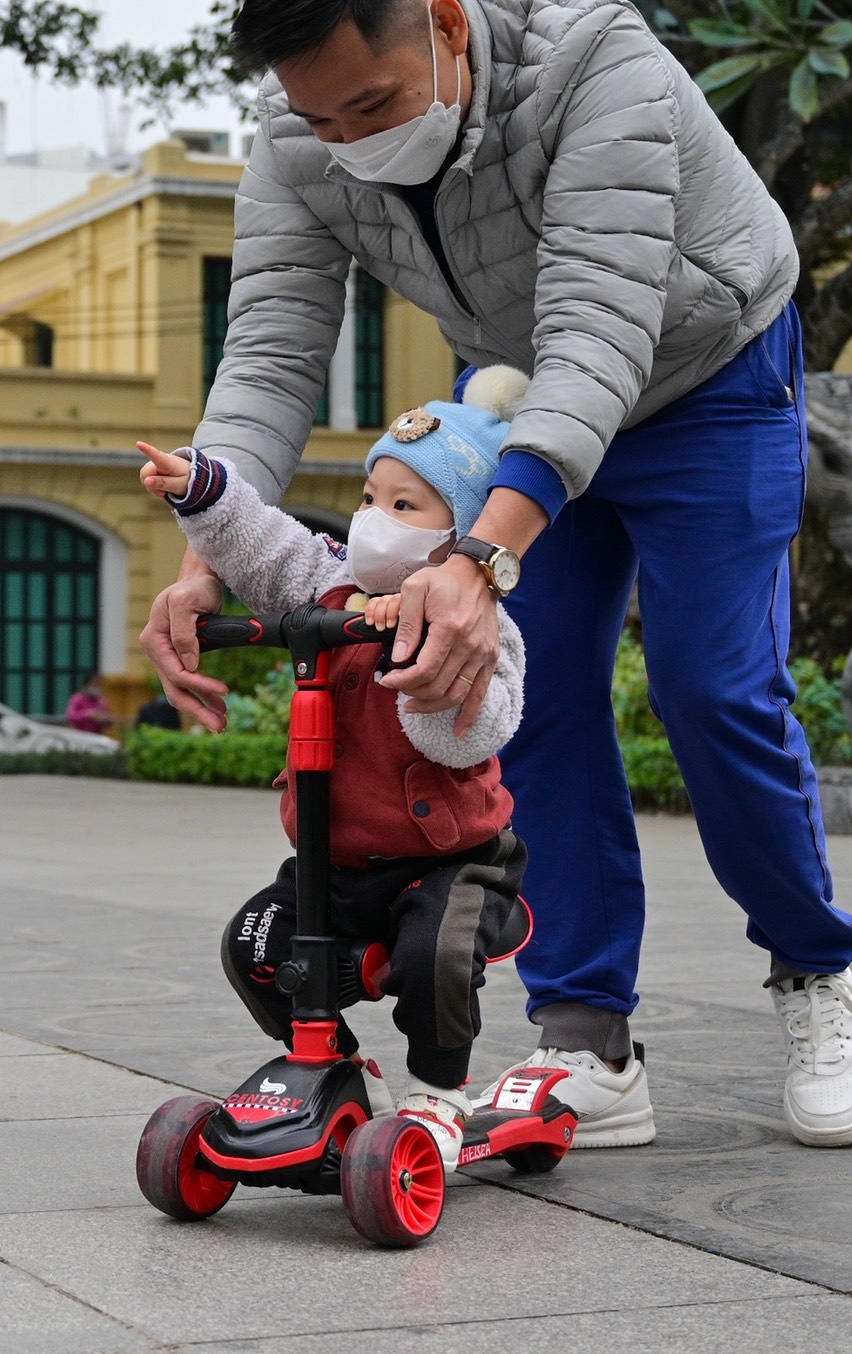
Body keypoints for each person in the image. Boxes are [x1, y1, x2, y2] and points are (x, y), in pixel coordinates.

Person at [142, 0, 852, 1150]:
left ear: (441, 28)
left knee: (714, 690)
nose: (346, 145)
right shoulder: (300, 130)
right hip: (522, 396)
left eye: (370, 107)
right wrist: (207, 548)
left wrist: (482, 553)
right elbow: (270, 350)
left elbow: (600, 323)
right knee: (506, 699)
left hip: (708, 373)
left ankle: (813, 972)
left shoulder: (596, 58)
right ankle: (587, 1036)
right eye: (318, 121)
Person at [132, 369, 533, 1170]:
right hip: (336, 861)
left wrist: (414, 651)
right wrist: (201, 489)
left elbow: (468, 738)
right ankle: (346, 1074)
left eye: (405, 507)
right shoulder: (327, 581)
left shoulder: (481, 628)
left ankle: (439, 1092)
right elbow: (264, 540)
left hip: (452, 865)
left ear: (458, 535)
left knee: (434, 958)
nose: (375, 522)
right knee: (254, 945)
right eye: (369, 498)